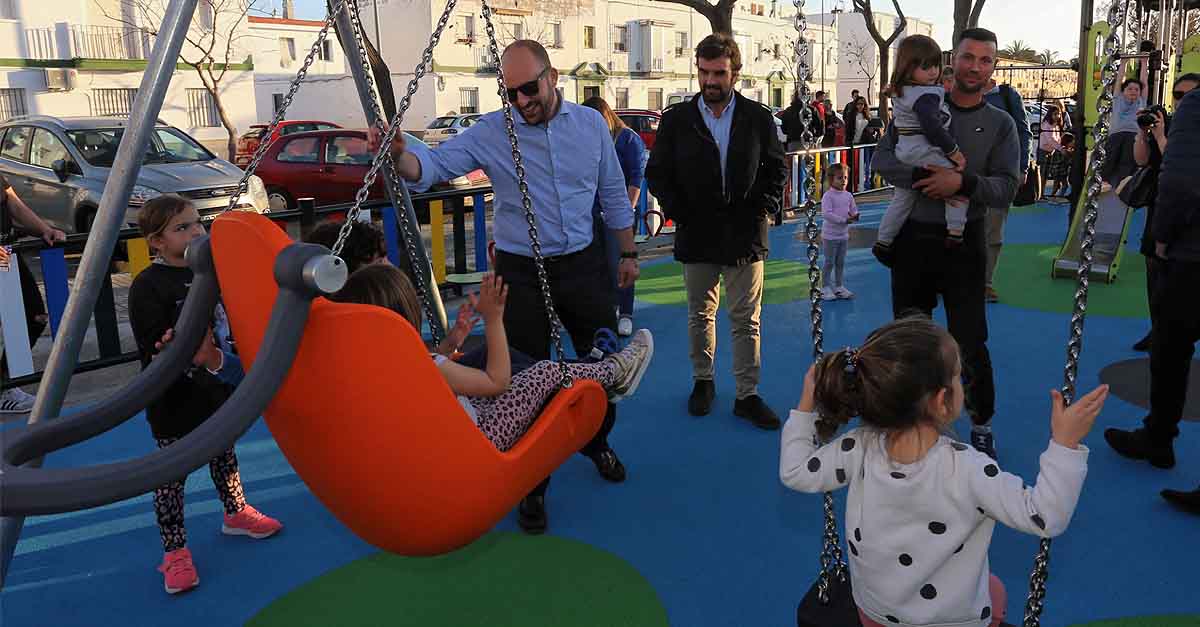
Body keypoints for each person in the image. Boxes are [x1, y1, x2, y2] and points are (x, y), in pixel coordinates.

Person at [368, 39, 638, 534]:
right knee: (517, 377)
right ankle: (531, 486)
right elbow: (432, 168)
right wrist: (402, 155)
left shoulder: (591, 126)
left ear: (552, 75)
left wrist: (627, 252)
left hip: (582, 262)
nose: (521, 101)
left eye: (529, 88)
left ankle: (597, 442)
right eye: (510, 93)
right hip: (521, 268)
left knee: (600, 363)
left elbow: (613, 194)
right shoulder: (494, 131)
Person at [780, 316, 1109, 627]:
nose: (961, 382)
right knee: (996, 593)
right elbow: (1045, 516)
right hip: (951, 620)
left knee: (990, 586)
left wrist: (806, 405)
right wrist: (1064, 445)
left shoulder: (857, 447)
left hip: (875, 612)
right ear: (941, 401)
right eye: (958, 376)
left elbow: (795, 471)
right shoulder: (968, 468)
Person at [869, 27, 1019, 461]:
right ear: (955, 61)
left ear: (993, 67)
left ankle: (980, 421)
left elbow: (1008, 188)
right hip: (914, 240)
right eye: (969, 57)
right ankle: (912, 421)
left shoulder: (1000, 124)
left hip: (963, 244)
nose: (976, 66)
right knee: (910, 339)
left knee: (970, 340)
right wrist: (922, 179)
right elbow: (882, 159)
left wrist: (963, 182)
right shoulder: (918, 105)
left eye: (985, 60)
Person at [128, 195, 281, 595]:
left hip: (216, 387)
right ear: (156, 241)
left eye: (198, 223)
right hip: (173, 397)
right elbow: (151, 343)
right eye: (183, 228)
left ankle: (236, 512)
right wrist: (166, 345)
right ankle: (174, 551)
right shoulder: (149, 284)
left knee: (224, 455)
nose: (196, 232)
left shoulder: (212, 271)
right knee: (170, 477)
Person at [330, 264, 655, 452]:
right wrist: (494, 319)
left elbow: (432, 359)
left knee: (526, 373)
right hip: (482, 442)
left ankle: (589, 367)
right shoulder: (429, 370)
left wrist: (455, 338)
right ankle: (614, 371)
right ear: (405, 316)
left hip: (458, 432)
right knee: (539, 374)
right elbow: (497, 383)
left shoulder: (377, 371)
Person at [645, 33, 788, 429]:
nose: (711, 81)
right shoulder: (677, 119)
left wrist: (761, 207)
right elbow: (658, 172)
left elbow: (776, 169)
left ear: (735, 73)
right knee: (700, 314)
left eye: (719, 73)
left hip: (745, 234)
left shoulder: (758, 117)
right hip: (698, 233)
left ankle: (747, 394)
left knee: (747, 319)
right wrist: (680, 213)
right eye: (704, 72)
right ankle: (703, 382)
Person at [1104, 86, 1200, 508]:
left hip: (1190, 254)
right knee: (1168, 344)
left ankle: (1159, 436)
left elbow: (1179, 181)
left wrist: (1162, 238)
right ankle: (1158, 437)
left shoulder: (1195, 114)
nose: (1181, 99)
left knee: (1171, 347)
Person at [872, 35, 970, 254]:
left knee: (902, 200)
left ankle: (883, 240)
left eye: (935, 65)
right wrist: (954, 153)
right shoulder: (925, 95)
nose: (933, 72)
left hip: (905, 149)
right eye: (926, 67)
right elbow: (932, 128)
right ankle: (956, 232)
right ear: (909, 68)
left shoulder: (903, 91)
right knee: (957, 189)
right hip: (923, 150)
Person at [1128, 73, 1200, 353]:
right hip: (1161, 206)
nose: (1181, 101)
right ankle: (1157, 327)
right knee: (1153, 272)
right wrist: (1142, 132)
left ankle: (1177, 332)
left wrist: (1160, 136)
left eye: (1188, 95)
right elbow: (1141, 160)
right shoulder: (1164, 121)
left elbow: (1179, 162)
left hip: (1189, 213)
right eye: (1177, 95)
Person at [0, 175, 66, 413]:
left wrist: (44, 230)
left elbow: (13, 202)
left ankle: (5, 384)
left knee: (33, 316)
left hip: (5, 254)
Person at [582, 96, 645, 337]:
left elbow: (635, 177)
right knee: (597, 264)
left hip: (618, 213)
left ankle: (625, 312)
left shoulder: (628, 140)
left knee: (620, 261)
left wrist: (624, 211)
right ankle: (608, 309)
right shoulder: (591, 141)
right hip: (592, 211)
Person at [982, 79, 1033, 303]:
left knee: (993, 231)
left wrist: (1022, 166)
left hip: (999, 175)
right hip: (965, 172)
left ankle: (985, 282)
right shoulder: (955, 91)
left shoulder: (1006, 95)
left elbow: (1024, 132)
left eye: (985, 59)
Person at [820, 163, 860, 301]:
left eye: (845, 177)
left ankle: (839, 286)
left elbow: (853, 209)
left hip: (843, 236)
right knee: (829, 261)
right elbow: (827, 214)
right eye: (839, 178)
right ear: (831, 180)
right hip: (830, 236)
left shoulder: (848, 195)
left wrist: (855, 215)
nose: (843, 180)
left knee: (840, 262)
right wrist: (844, 220)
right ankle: (824, 287)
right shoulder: (828, 196)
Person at [1044, 133, 1075, 199]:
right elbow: (1067, 158)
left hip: (1058, 170)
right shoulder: (1063, 150)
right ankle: (1057, 197)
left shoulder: (1061, 149)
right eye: (1072, 142)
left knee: (1058, 184)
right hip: (1059, 170)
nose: (1073, 144)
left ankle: (1054, 196)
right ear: (1067, 142)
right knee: (1064, 185)